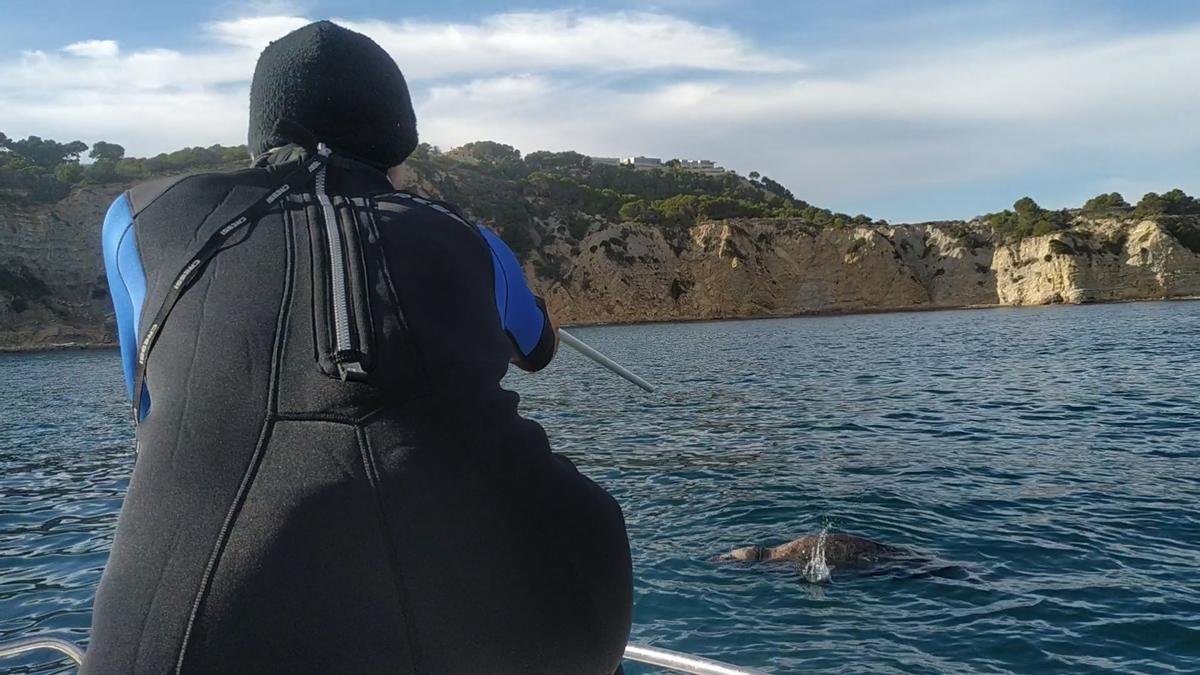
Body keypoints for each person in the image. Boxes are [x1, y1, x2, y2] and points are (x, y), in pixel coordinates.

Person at [86, 20, 632, 674]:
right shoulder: (471, 240)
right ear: (397, 143)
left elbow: (147, 406)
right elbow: (538, 346)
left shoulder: (135, 221)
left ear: (262, 136)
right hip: (550, 595)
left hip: (192, 618)